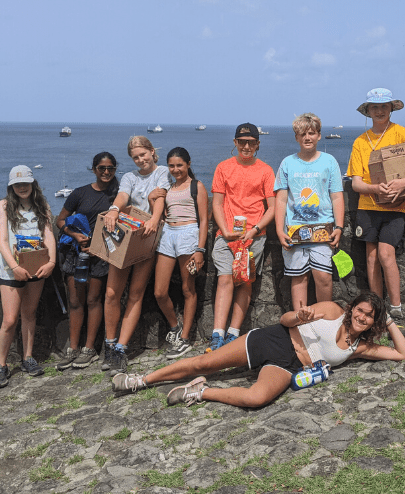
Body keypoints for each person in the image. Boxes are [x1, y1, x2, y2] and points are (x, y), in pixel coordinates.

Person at [110, 292, 405, 408]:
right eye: (360, 310)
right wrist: (299, 317)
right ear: (351, 307)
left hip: (288, 366)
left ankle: (200, 392)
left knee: (257, 398)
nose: (362, 317)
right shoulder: (332, 310)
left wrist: (388, 321)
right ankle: (141, 380)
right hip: (275, 338)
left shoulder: (359, 347)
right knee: (206, 362)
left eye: (369, 315)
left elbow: (403, 355)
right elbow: (284, 320)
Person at [346, 88, 405, 334]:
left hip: (396, 206)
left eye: (384, 106)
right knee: (372, 258)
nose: (379, 110)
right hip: (368, 206)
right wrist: (375, 188)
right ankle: (375, 310)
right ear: (368, 110)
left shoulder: (403, 134)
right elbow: (355, 183)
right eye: (374, 106)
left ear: (391, 108)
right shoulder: (360, 141)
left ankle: (395, 308)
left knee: (386, 255)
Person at [102, 136, 169, 374]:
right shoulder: (130, 177)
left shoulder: (162, 172)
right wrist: (113, 210)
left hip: (148, 237)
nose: (141, 160)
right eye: (136, 157)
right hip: (128, 235)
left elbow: (159, 196)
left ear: (152, 151)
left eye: (144, 154)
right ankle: (109, 345)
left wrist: (154, 218)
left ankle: (121, 348)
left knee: (136, 294)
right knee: (112, 293)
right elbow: (123, 196)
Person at [207, 123, 276, 351]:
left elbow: (272, 207)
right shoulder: (223, 168)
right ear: (235, 143)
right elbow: (217, 202)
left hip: (253, 236)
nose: (246, 146)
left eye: (251, 142)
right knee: (225, 278)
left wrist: (255, 230)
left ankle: (234, 332)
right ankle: (217, 332)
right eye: (242, 142)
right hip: (227, 235)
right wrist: (225, 230)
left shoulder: (265, 170)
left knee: (244, 282)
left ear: (257, 144)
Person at [54, 152, 119, 371]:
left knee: (93, 300)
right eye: (102, 168)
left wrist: (98, 247)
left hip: (101, 255)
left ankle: (89, 349)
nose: (107, 172)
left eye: (110, 168)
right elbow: (60, 219)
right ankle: (73, 348)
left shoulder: (117, 195)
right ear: (94, 169)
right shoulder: (80, 193)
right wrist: (74, 236)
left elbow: (125, 224)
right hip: (76, 253)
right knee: (74, 300)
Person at [0, 165, 57, 389]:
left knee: (29, 314)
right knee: (10, 319)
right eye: (18, 184)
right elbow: (1, 240)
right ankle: (1, 365)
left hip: (36, 266)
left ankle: (28, 358)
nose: (22, 187)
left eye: (26, 183)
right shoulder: (3, 206)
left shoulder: (42, 205)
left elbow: (48, 234)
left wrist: (51, 262)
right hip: (11, 269)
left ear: (33, 184)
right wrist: (14, 266)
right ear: (11, 186)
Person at [274, 113, 345, 310]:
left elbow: (337, 196)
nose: (307, 138)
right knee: (298, 278)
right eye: (303, 134)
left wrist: (339, 226)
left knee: (323, 276)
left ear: (319, 136)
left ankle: (326, 321)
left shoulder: (329, 162)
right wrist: (280, 230)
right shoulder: (287, 163)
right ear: (296, 137)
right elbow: (280, 198)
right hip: (294, 230)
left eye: (312, 133)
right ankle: (301, 324)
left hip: (323, 229)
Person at [146, 147, 208, 359]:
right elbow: (160, 215)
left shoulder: (197, 186)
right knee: (159, 292)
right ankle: (174, 326)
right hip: (168, 234)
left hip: (189, 234)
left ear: (188, 164)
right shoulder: (168, 188)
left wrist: (200, 249)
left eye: (179, 165)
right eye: (171, 165)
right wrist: (151, 199)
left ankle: (185, 338)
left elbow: (204, 220)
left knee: (187, 288)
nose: (175, 169)